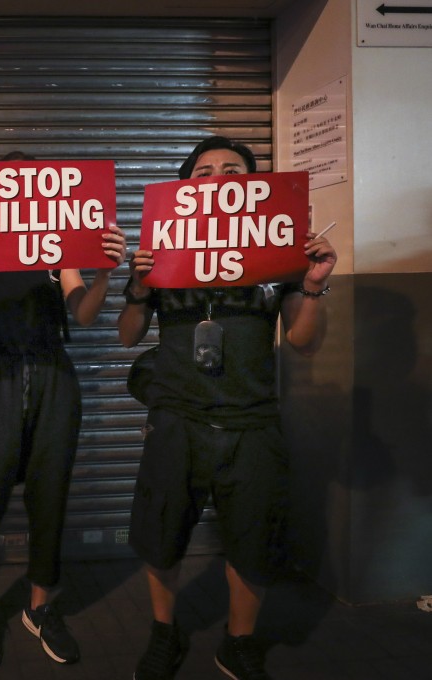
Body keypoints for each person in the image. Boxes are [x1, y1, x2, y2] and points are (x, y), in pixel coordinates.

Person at [119, 136, 337, 680]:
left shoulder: (278, 252)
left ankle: (239, 642)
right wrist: (140, 287)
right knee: (162, 534)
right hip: (176, 416)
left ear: (253, 187)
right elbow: (127, 335)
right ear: (185, 189)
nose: (218, 179)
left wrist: (313, 285)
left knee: (254, 540)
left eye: (233, 171)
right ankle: (164, 631)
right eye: (204, 172)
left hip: (252, 418)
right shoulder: (163, 250)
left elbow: (305, 341)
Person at [0, 152, 127, 670]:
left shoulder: (57, 245)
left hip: (51, 374)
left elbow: (82, 312)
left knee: (51, 494)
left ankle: (40, 607)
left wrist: (104, 276)